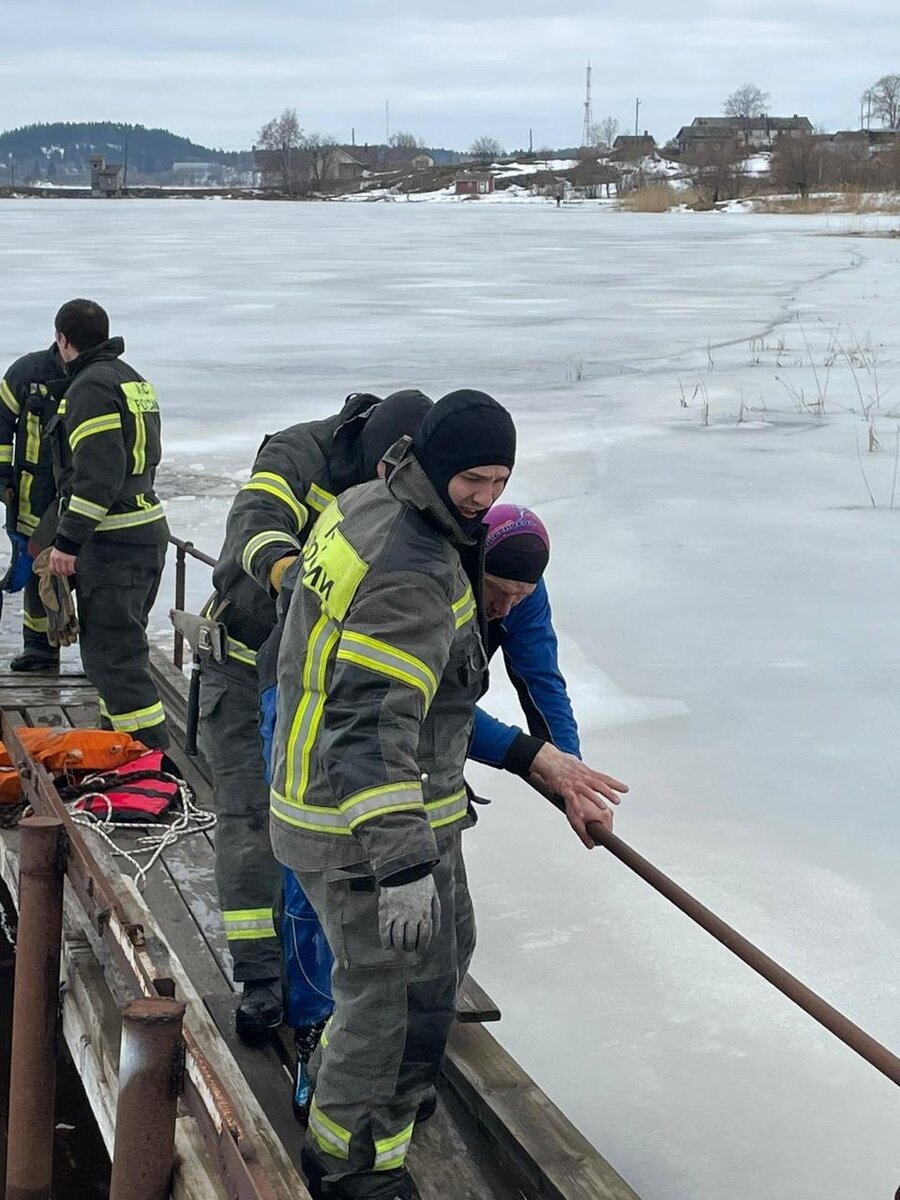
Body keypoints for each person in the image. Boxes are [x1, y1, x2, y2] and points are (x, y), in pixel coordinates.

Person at [269, 503, 626, 1119]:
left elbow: (540, 680)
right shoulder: (420, 584)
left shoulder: (515, 589)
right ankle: (315, 1041)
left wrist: (571, 775)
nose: (506, 609)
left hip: (414, 757)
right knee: (330, 912)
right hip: (322, 743)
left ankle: (380, 1077)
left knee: (441, 946)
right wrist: (530, 757)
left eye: (522, 596)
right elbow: (413, 711)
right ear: (475, 564)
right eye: (499, 593)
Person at [270, 389, 523, 1200]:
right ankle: (345, 1166)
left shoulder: (370, 501)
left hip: (394, 809)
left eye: (500, 479)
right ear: (439, 467)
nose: (485, 497)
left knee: (438, 970)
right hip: (362, 832)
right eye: (473, 480)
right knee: (385, 1000)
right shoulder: (410, 571)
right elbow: (366, 731)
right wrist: (404, 864)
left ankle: (379, 1133)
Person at [199, 389, 433, 1041]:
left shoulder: (418, 491)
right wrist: (291, 574)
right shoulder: (297, 452)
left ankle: (330, 990)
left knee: (324, 832)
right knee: (251, 817)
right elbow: (255, 518)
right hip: (244, 665)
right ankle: (259, 979)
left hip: (320, 687)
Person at [44, 299, 170, 749]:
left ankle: (150, 762)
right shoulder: (132, 379)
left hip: (113, 541)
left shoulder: (89, 388)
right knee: (117, 651)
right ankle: (114, 747)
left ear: (63, 339)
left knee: (115, 660)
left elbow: (98, 475)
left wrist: (66, 541)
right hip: (146, 533)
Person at [0, 340, 65, 671]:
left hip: (78, 494)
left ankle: (98, 655)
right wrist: (2, 477)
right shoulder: (27, 372)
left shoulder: (95, 378)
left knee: (80, 570)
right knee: (36, 564)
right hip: (32, 492)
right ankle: (39, 648)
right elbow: (1, 422)